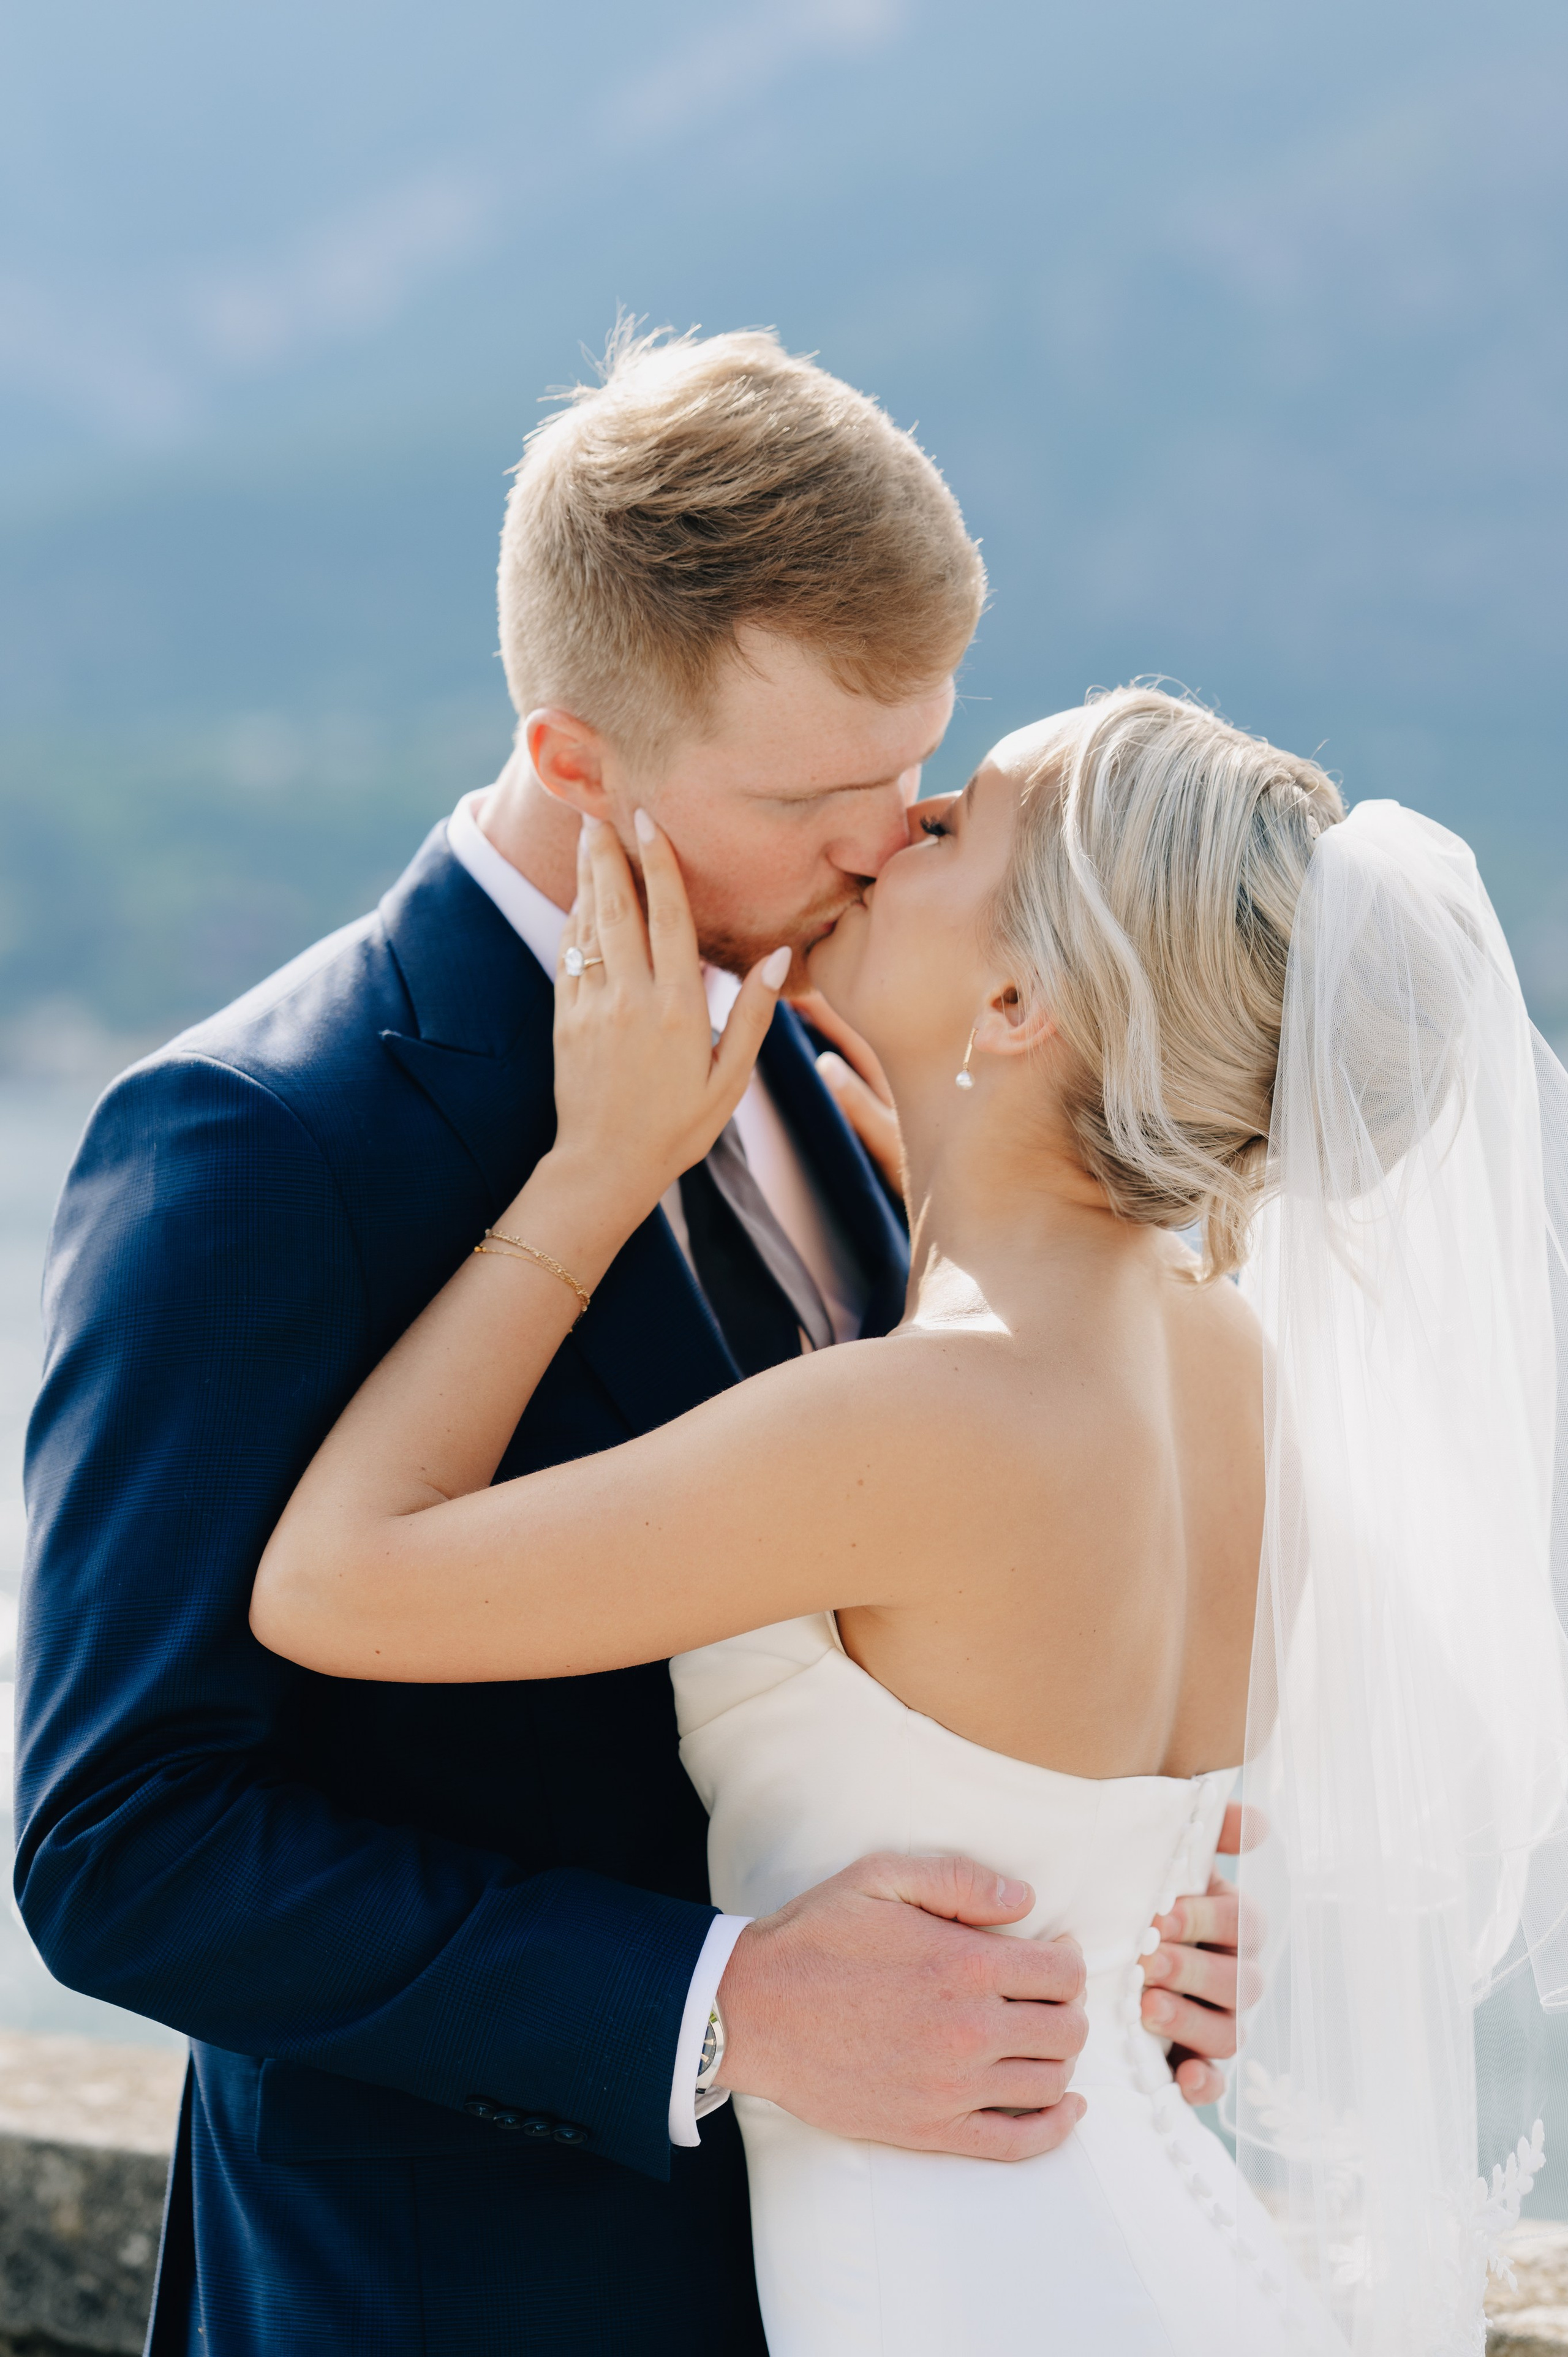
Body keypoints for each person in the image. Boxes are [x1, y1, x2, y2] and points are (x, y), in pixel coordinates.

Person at [16, 333, 1238, 2355]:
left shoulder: (839, 1072)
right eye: (809, 799)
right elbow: (122, 1845)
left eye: (914, 777)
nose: (879, 851)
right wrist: (724, 2002)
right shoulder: (257, 1145)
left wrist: (1113, 1923)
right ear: (576, 760)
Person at [251, 684, 1568, 2353]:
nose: (889, 832)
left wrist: (594, 1176)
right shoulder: (1226, 1372)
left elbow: (332, 1584)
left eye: (951, 831)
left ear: (1016, 997)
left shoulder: (915, 1421)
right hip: (1149, 2239)